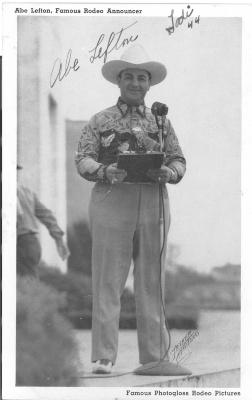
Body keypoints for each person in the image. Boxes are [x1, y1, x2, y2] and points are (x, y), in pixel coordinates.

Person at [75, 44, 186, 374]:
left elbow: (179, 159)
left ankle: (155, 356)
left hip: (154, 201)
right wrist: (104, 170)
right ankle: (103, 358)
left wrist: (171, 172)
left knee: (153, 280)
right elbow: (82, 158)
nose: (135, 83)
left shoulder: (162, 122)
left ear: (149, 84)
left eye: (141, 77)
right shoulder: (100, 119)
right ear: (118, 81)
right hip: (112, 200)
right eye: (129, 77)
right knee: (108, 280)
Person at [17, 165, 69, 277]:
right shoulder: (27, 192)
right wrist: (59, 239)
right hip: (30, 243)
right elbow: (47, 216)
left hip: (22, 242)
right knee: (27, 283)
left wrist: (59, 239)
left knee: (24, 282)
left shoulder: (17, 193)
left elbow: (46, 215)